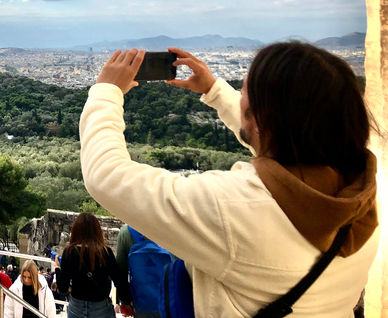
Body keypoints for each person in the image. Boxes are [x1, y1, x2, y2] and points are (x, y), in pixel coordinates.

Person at [80, 44, 380, 317]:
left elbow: (106, 175)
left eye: (244, 91)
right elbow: (283, 143)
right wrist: (214, 90)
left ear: (263, 119)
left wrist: (107, 92)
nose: (240, 97)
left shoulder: (233, 209)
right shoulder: (362, 197)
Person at [54, 213, 132, 318]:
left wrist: (57, 269)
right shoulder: (105, 252)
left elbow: (63, 288)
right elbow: (119, 281)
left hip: (76, 308)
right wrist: (125, 301)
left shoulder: (69, 252)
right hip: (101, 307)